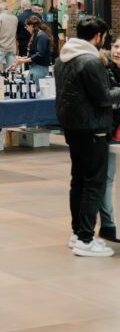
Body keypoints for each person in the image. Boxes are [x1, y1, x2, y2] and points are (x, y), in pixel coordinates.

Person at [55, 16, 120, 257]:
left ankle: (77, 233)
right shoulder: (90, 62)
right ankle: (85, 238)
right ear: (98, 36)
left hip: (73, 128)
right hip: (93, 128)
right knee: (94, 183)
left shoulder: (63, 58)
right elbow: (103, 97)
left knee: (79, 181)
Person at [99, 38, 120, 243]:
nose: (118, 51)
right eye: (115, 46)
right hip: (110, 133)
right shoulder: (105, 71)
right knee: (107, 178)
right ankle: (108, 224)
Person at [11, 15, 54, 83]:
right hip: (36, 67)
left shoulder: (41, 36)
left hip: (40, 68)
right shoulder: (37, 35)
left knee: (29, 88)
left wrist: (23, 61)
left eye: (26, 26)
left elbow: (39, 54)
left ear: (32, 25)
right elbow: (33, 54)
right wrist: (21, 59)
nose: (26, 28)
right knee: (31, 88)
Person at [0, 2, 18, 73]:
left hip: (0, 48)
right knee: (11, 71)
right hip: (12, 47)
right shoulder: (15, 18)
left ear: (0, 9)